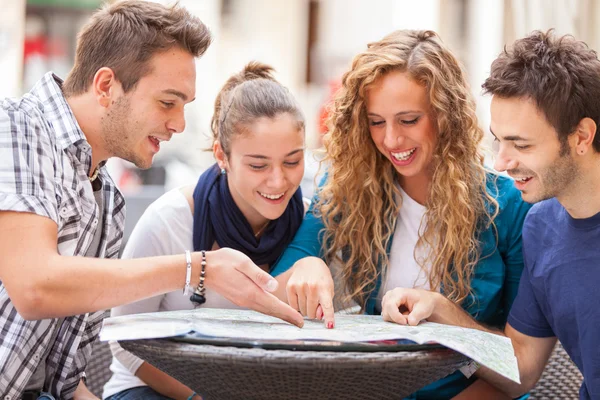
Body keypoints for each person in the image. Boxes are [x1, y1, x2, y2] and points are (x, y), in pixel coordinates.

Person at [0, 2, 302, 399]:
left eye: (183, 107)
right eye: (167, 102)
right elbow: (35, 286)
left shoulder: (106, 200)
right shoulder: (16, 127)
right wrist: (198, 268)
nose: (178, 124)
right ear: (106, 86)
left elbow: (67, 383)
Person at [271, 30, 532, 399]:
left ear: (446, 115)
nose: (391, 140)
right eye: (377, 122)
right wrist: (306, 268)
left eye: (408, 120)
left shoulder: (508, 207)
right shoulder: (347, 186)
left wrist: (444, 312)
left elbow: (519, 366)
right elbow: (274, 295)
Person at [380, 30, 600, 400]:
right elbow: (523, 368)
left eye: (522, 144)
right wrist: (441, 311)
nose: (501, 162)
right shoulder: (541, 226)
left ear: (581, 136)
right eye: (499, 140)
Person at [102, 61, 307, 400]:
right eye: (258, 165)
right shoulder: (169, 220)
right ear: (221, 156)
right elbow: (124, 340)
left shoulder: (311, 220)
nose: (278, 180)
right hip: (155, 390)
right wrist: (200, 396)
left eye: (292, 161)